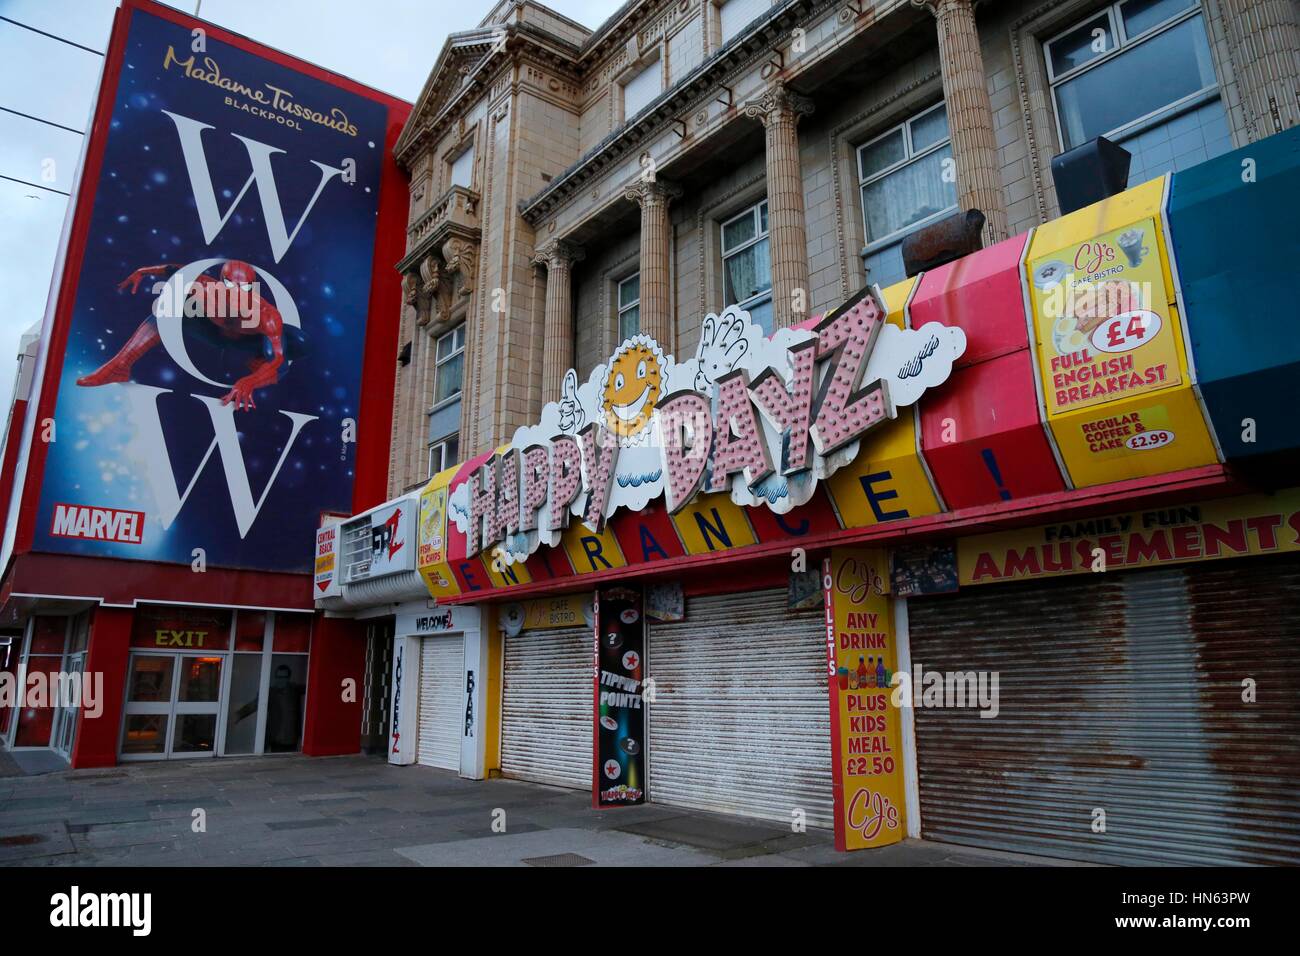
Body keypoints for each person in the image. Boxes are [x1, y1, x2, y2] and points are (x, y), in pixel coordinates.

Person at [76, 259, 307, 411]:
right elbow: (172, 271)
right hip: (211, 332)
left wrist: (250, 381)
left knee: (290, 351)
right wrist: (143, 272)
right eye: (230, 286)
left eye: (245, 288)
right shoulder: (203, 287)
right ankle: (119, 367)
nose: (237, 293)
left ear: (253, 287)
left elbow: (276, 358)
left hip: (246, 342)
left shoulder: (266, 313)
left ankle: (256, 366)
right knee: (168, 306)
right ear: (220, 282)